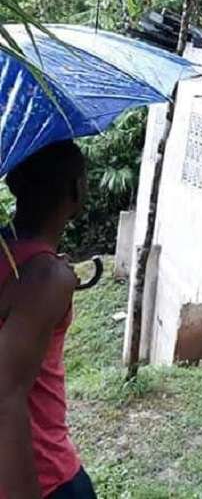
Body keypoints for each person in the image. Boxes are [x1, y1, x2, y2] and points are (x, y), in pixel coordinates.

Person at [0, 141, 96, 499]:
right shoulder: (45, 277)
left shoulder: (16, 256)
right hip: (41, 476)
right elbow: (5, 395)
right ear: (74, 191)